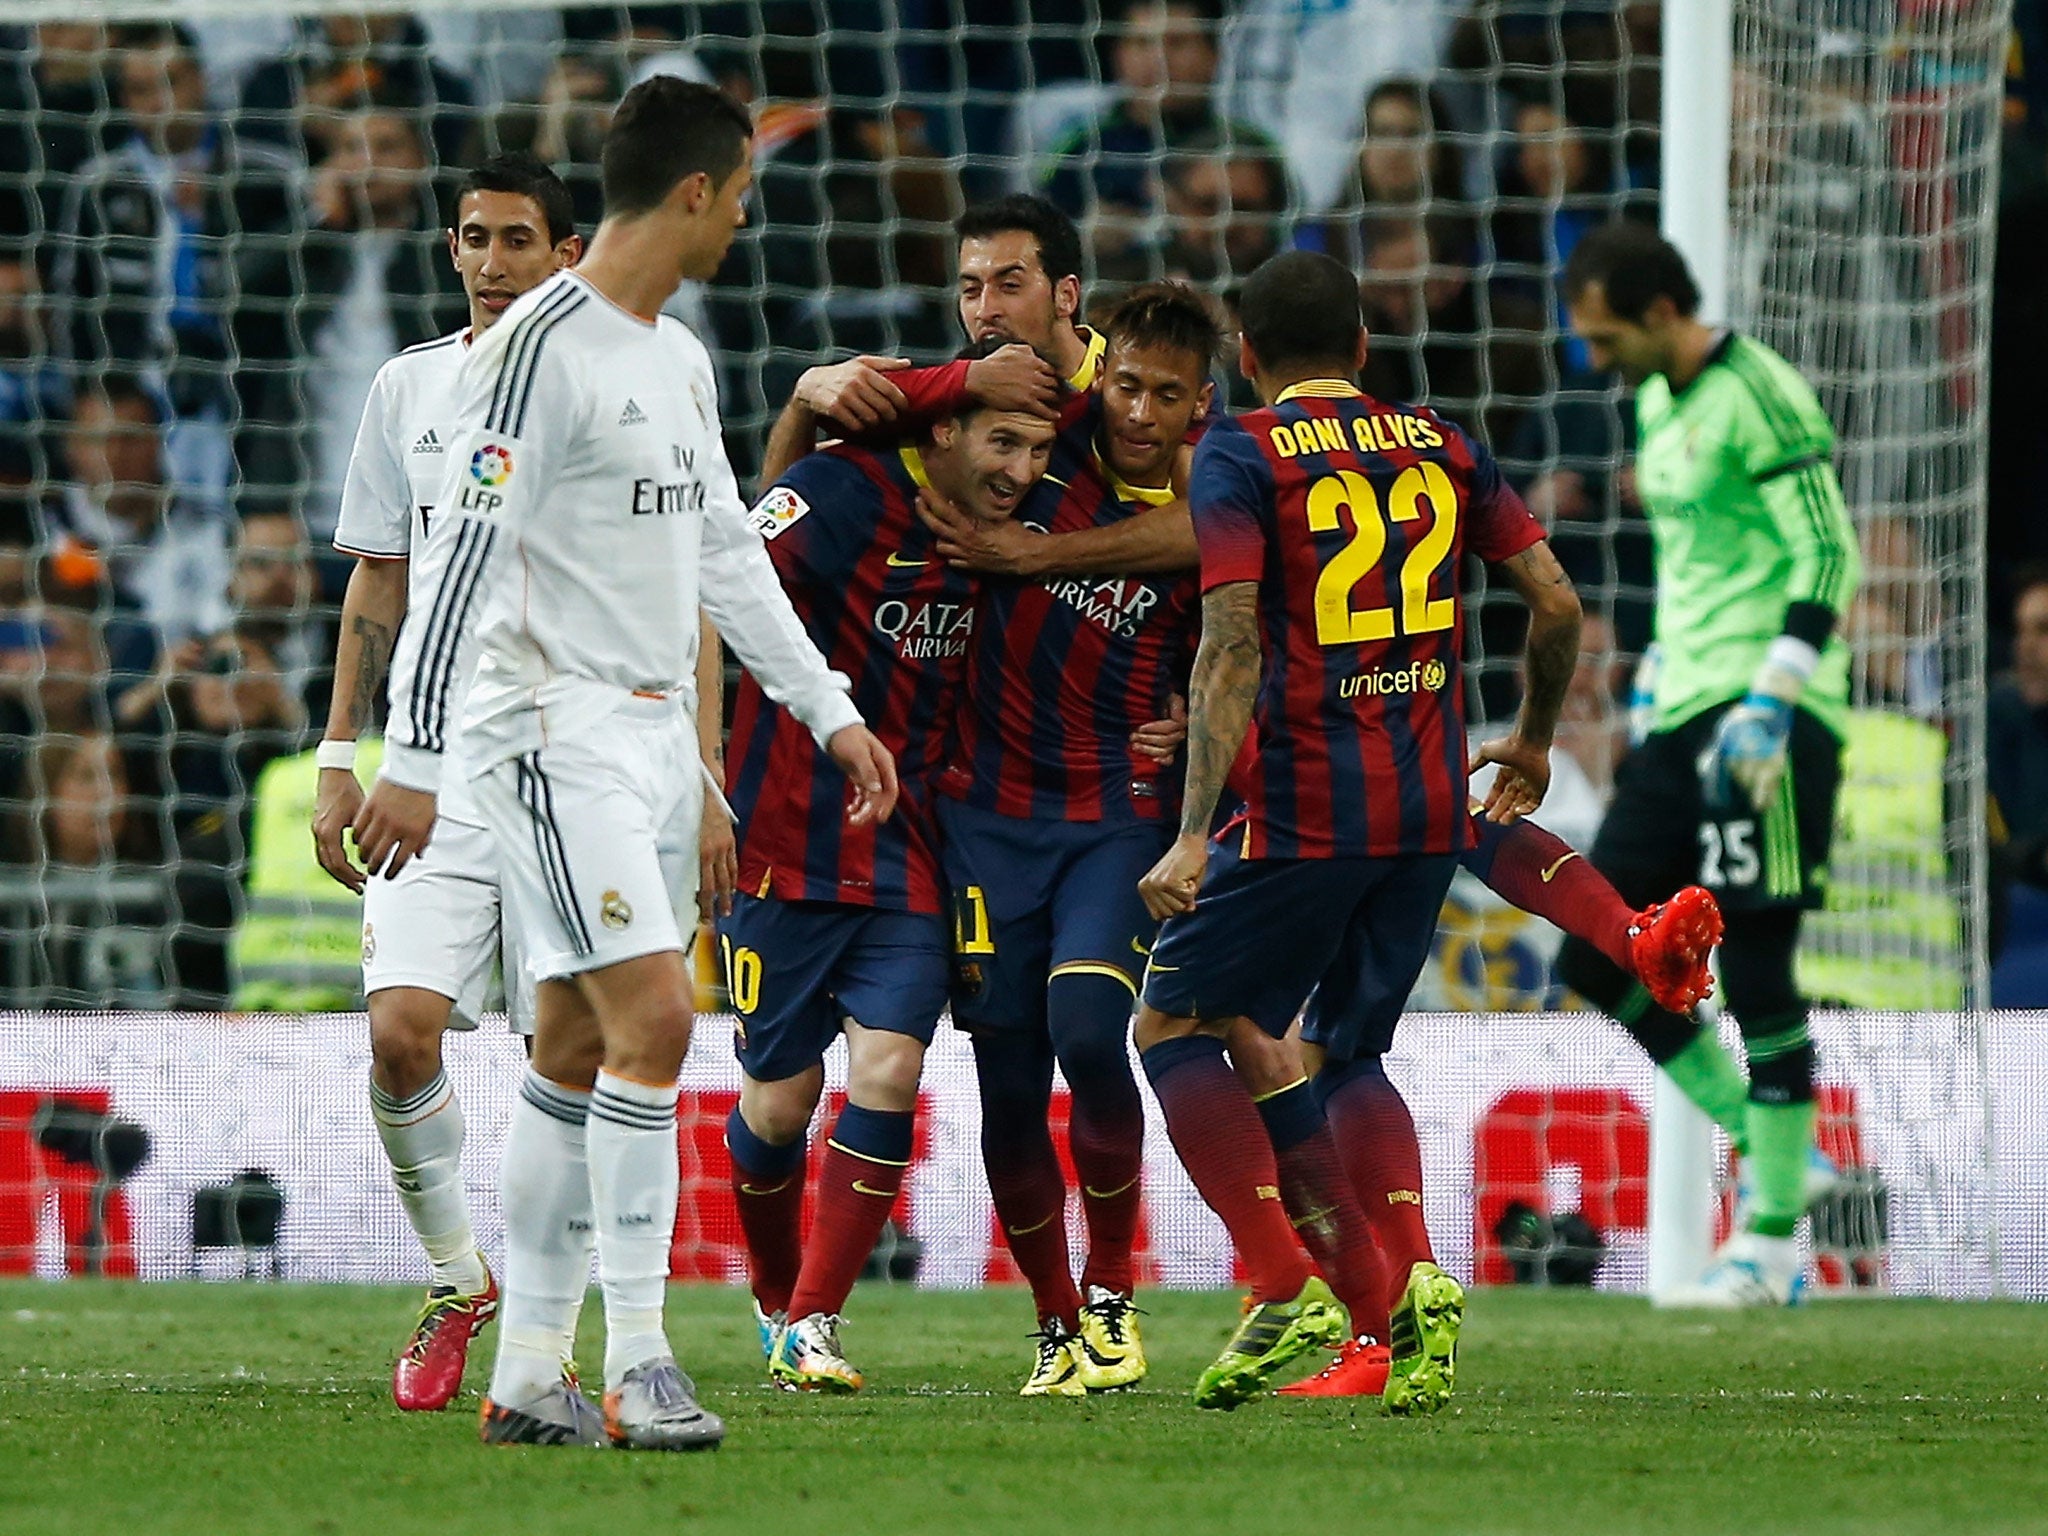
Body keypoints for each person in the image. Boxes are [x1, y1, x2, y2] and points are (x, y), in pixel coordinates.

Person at [353, 77, 895, 1453]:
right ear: (698, 192)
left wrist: (827, 711)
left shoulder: (675, 353)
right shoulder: (536, 351)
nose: (743, 225)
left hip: (655, 736)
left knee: (584, 1043)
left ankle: (531, 1365)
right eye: (741, 199)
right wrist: (410, 756)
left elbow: (720, 548)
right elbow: (459, 560)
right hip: (545, 728)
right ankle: (644, 1357)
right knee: (657, 1020)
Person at [1132, 249, 1581, 1412]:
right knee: (1339, 1050)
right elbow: (1555, 599)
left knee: (1170, 1023)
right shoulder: (1438, 440)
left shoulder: (1237, 450)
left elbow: (1229, 641)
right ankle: (1409, 1291)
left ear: (1244, 356)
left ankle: (1290, 1287)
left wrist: (1191, 833)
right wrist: (1529, 739)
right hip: (1427, 809)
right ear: (1365, 350)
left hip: (1301, 811)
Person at [306, 152, 581, 1414]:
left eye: (516, 238)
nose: (488, 260)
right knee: (399, 1033)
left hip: (573, 765)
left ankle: (553, 1331)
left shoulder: (614, 394)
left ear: (565, 254)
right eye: (472, 237)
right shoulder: (406, 386)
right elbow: (377, 577)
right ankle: (456, 1278)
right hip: (429, 768)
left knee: (562, 1059)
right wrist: (334, 756)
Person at [722, 365, 1056, 1396]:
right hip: (782, 842)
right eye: (1002, 444)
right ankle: (777, 1295)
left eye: (1038, 451)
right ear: (945, 427)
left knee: (888, 1072)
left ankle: (813, 1322)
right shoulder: (838, 491)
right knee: (777, 1104)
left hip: (909, 849)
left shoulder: (1021, 531)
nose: (1021, 472)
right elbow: (721, 570)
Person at [1556, 220, 1861, 1307]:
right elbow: (1694, 563)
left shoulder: (1757, 388)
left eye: (1601, 337)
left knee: (1758, 965)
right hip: (1681, 709)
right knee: (1596, 955)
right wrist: (1649, 689)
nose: (1589, 360)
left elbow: (1827, 545)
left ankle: (1771, 1247)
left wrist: (1773, 693)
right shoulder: (1654, 399)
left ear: (1657, 314)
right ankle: (1775, 1145)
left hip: (1762, 716)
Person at [929, 284, 1214, 1396]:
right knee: (1006, 1082)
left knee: (1090, 1034)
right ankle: (1051, 1323)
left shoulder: (1216, 498)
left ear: (1199, 406)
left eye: (1167, 395)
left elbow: (1260, 633)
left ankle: (1110, 1296)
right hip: (982, 816)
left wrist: (1202, 715)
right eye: (1128, 384)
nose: (1139, 410)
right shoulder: (1033, 453)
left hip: (1113, 813)